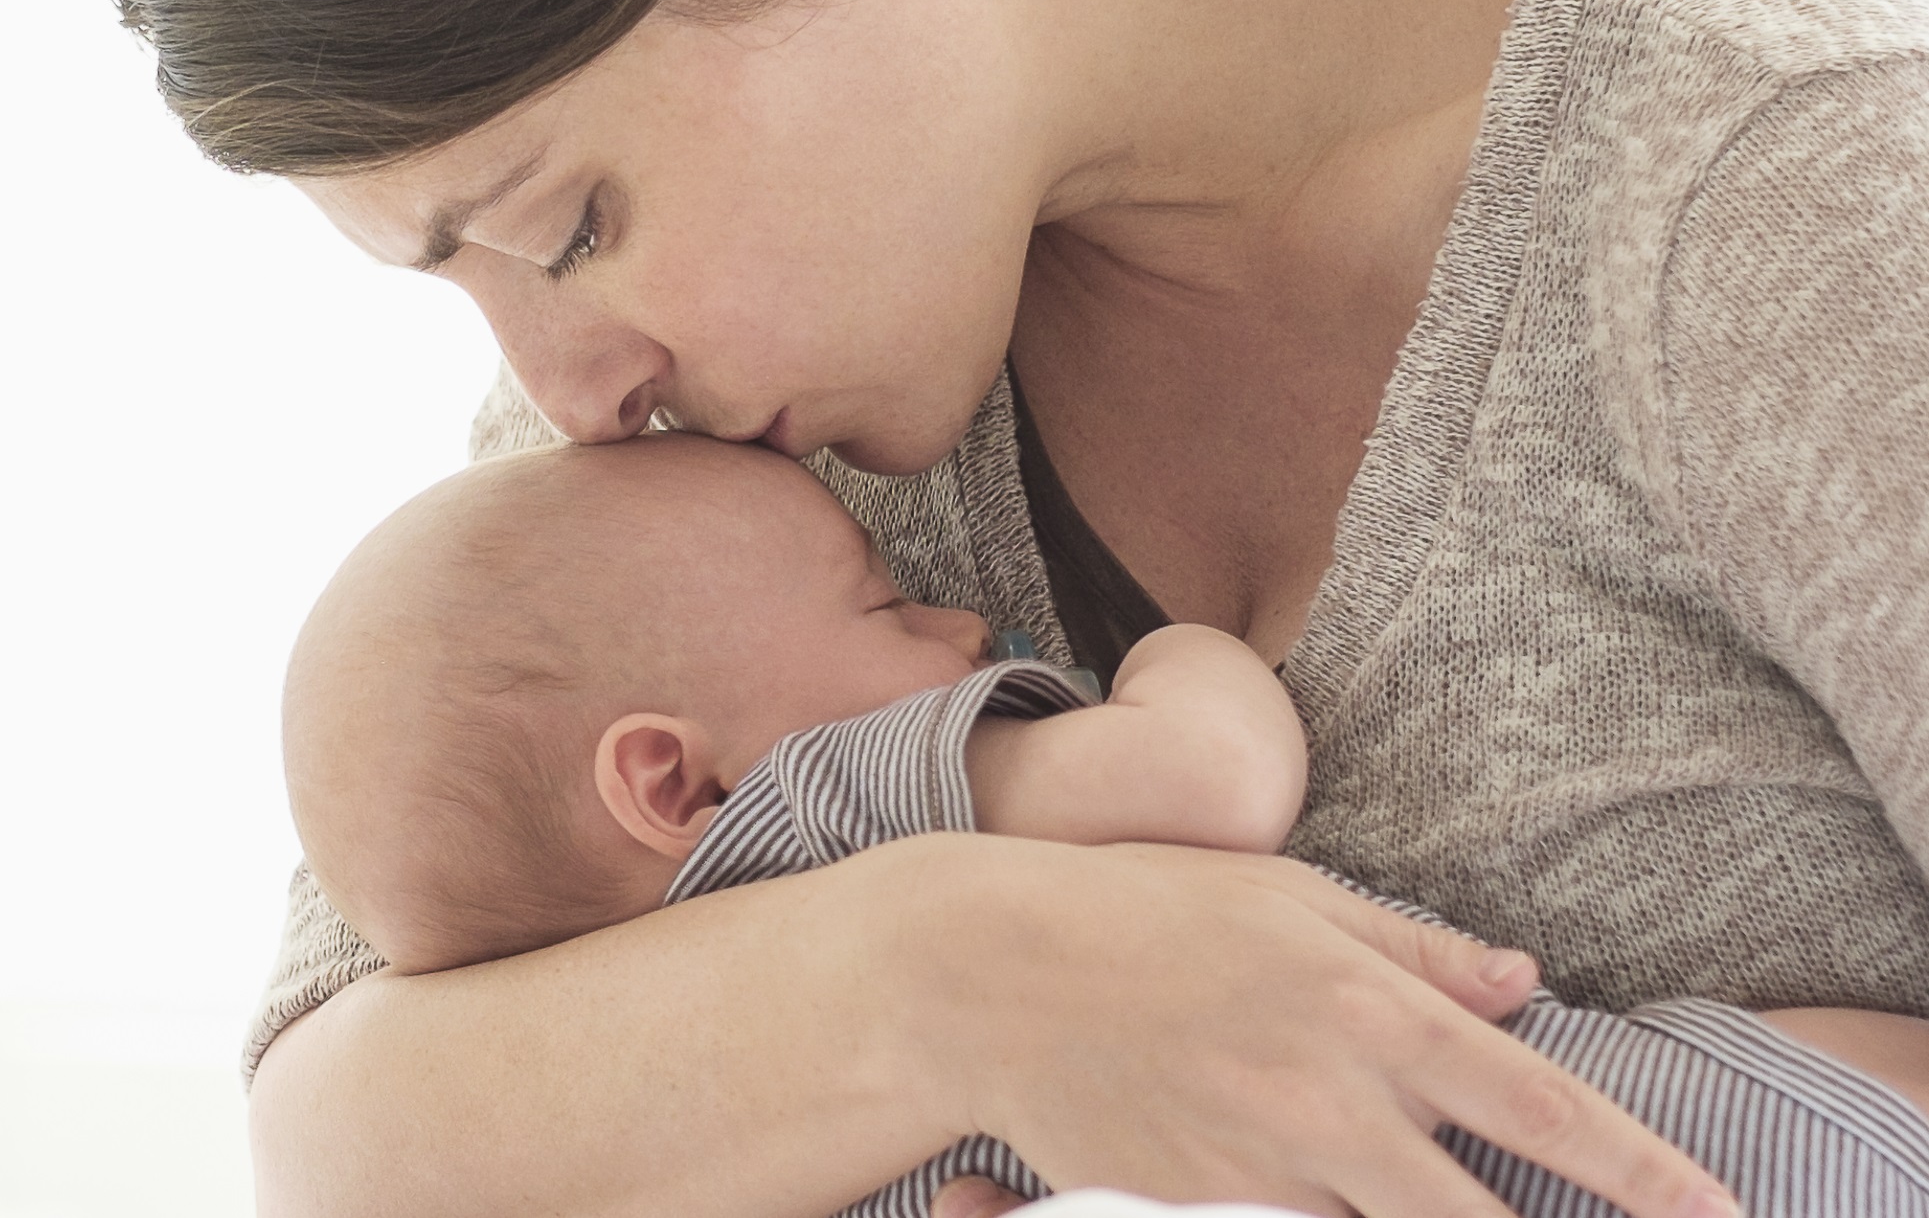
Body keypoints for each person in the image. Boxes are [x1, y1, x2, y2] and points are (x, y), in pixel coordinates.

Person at [74, 0, 1929, 1212]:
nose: (567, 395)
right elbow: (346, 1128)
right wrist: (961, 975)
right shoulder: (742, 411)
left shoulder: (1804, 194)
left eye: (567, 228)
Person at [281, 432, 1929, 1218]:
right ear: (672, 783)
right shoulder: (843, 800)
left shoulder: (662, 1125)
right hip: (1621, 1147)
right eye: (881, 596)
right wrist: (1173, 651)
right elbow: (1211, 786)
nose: (951, 629)